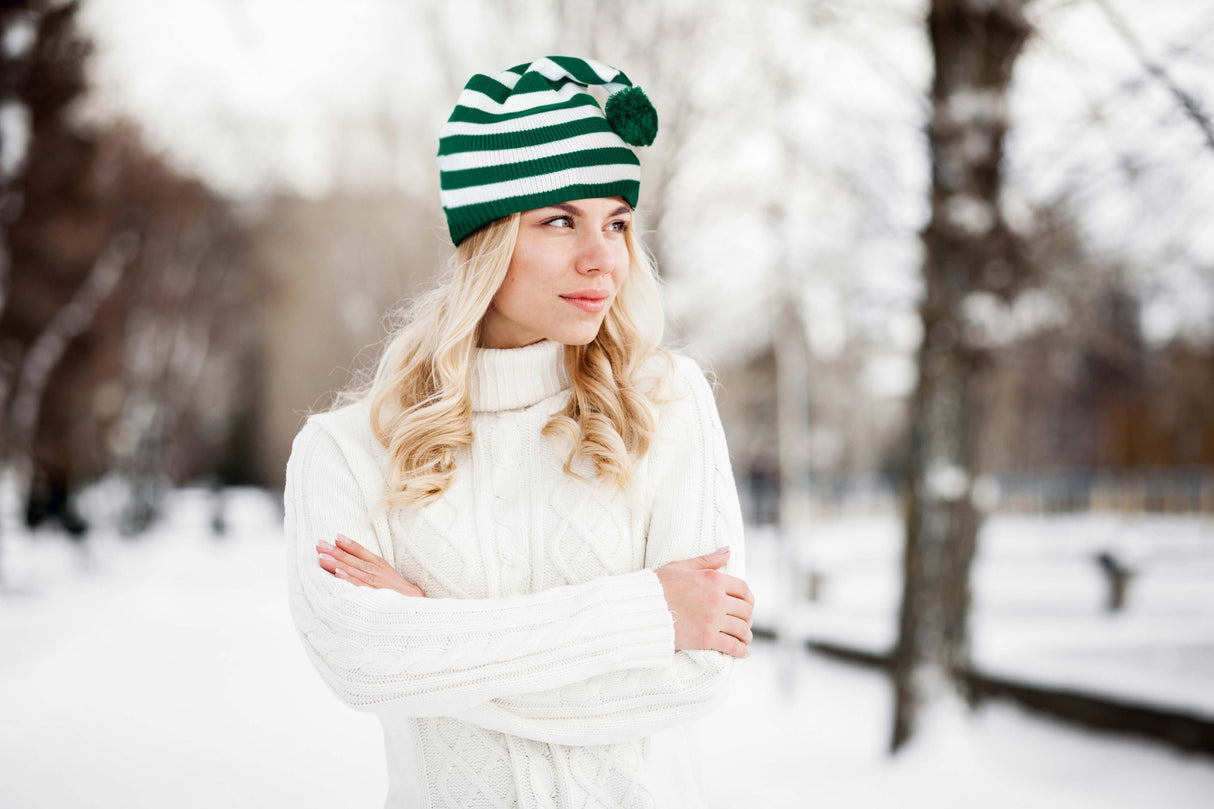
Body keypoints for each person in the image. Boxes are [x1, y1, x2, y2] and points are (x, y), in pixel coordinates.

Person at [284, 55, 755, 809]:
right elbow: (361, 662)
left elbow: (696, 672)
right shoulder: (346, 451)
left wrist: (430, 632)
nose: (604, 258)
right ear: (488, 238)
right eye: (560, 219)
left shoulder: (667, 405)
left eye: (618, 221)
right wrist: (645, 613)